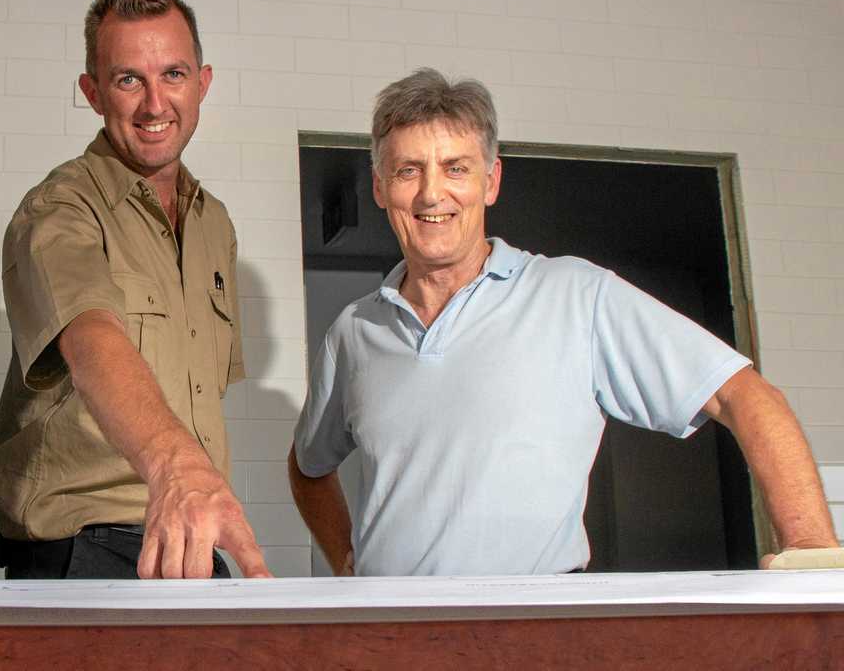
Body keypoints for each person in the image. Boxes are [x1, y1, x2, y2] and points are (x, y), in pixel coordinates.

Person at [289, 68, 838, 577]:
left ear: (491, 181)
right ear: (381, 187)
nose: (433, 193)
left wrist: (812, 555)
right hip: (390, 637)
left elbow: (742, 396)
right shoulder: (354, 331)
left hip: (538, 630)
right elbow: (309, 466)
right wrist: (347, 567)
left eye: (456, 168)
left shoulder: (576, 294)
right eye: (409, 170)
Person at [0, 0, 270, 580]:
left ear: (203, 82)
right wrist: (176, 468)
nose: (155, 104)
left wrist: (192, 494)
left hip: (186, 539)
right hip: (81, 551)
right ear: (92, 91)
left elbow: (202, 397)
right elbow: (93, 340)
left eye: (174, 75)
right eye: (129, 79)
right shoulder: (60, 207)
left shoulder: (215, 224)